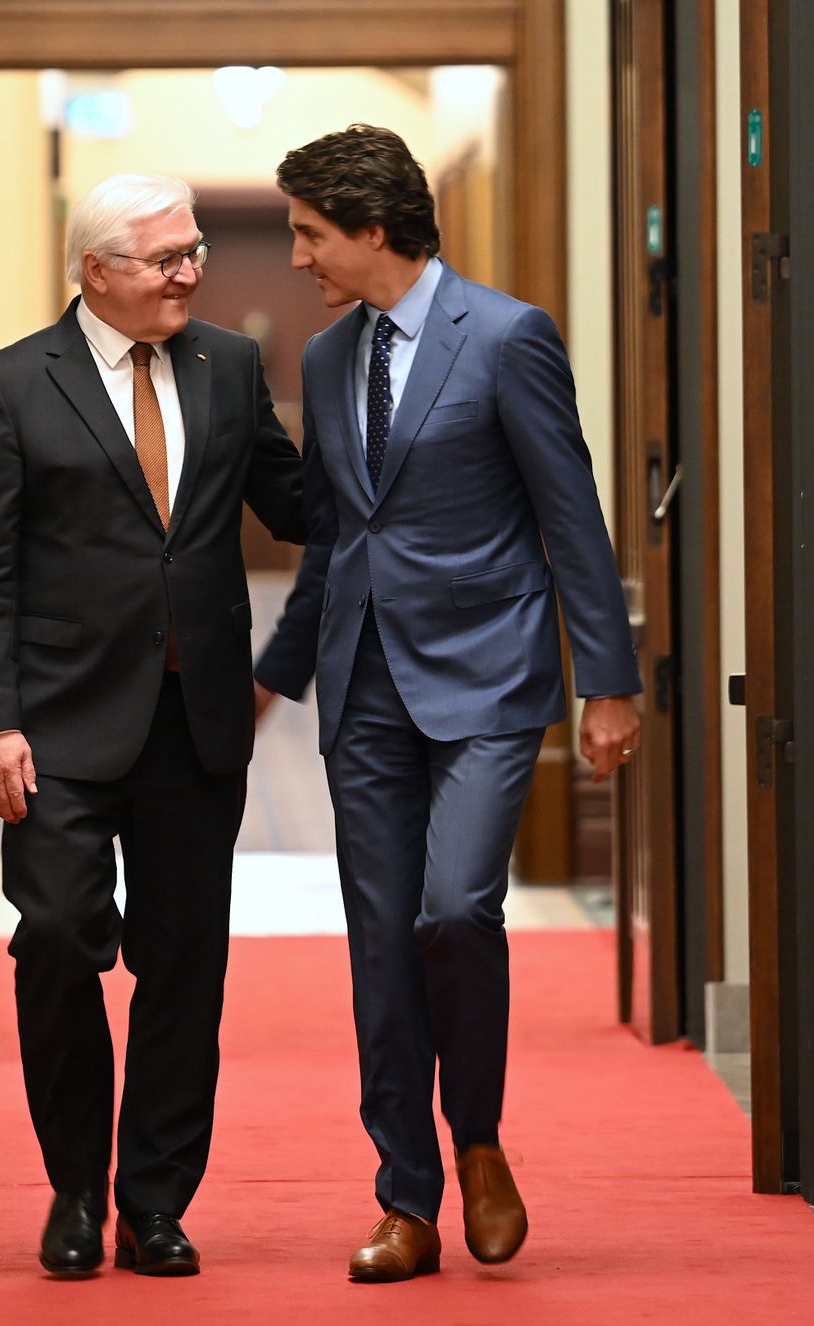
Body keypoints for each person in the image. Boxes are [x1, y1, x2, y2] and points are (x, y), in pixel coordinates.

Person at [254, 125, 642, 1283]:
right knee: (378, 944)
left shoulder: (508, 337)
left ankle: (476, 1139)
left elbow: (568, 512)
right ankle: (404, 1199)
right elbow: (332, 537)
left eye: (310, 234)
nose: (296, 258)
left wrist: (607, 683)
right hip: (361, 683)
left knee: (456, 909)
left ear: (372, 230)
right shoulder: (325, 361)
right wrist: (275, 678)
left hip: (485, 674)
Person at [0, 173, 303, 1279]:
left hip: (192, 719)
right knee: (55, 940)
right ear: (94, 270)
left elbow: (297, 504)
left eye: (193, 250)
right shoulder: (10, 386)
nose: (189, 271)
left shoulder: (231, 368)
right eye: (164, 258)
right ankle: (71, 1189)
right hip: (53, 727)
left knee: (184, 965)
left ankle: (153, 1201)